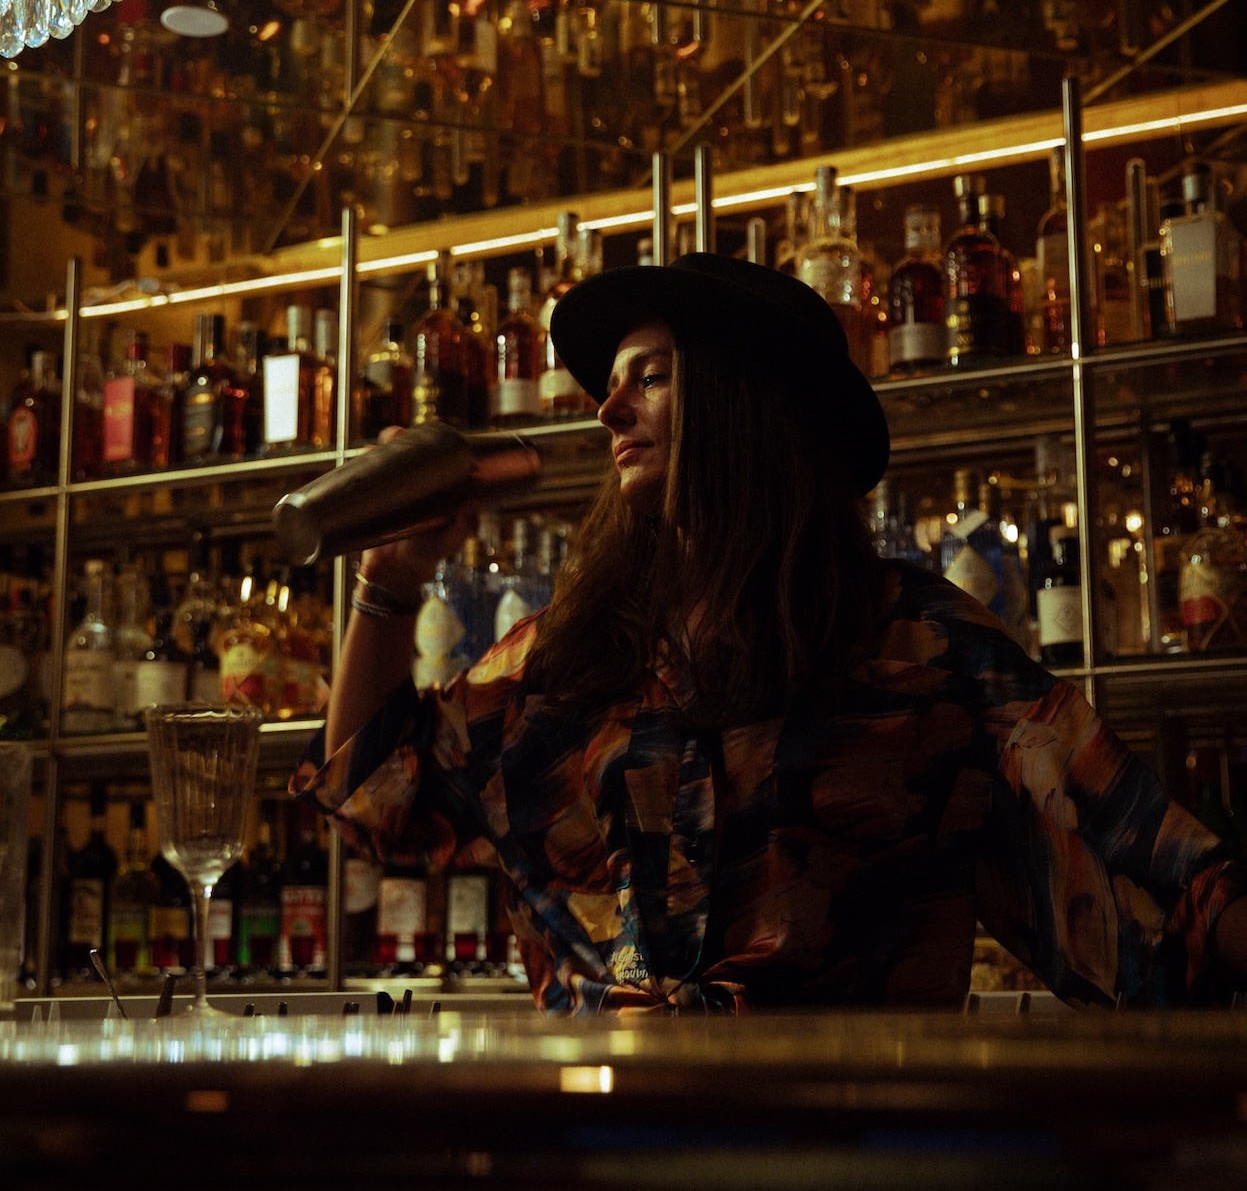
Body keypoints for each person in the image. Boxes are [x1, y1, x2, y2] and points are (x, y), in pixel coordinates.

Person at [293, 252, 1247, 1013]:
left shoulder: (915, 642)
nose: (608, 409)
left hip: (841, 1142)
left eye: (651, 377)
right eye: (611, 386)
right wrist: (388, 582)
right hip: (592, 1138)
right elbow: (375, 795)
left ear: (744, 404)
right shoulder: (571, 655)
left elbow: (1155, 869)